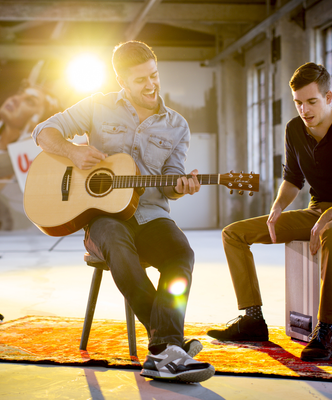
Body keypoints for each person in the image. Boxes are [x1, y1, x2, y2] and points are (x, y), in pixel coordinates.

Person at [31, 41, 215, 384]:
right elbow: (43, 132)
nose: (151, 85)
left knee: (181, 254)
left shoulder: (177, 126)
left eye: (154, 75)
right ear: (122, 82)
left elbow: (169, 182)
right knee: (119, 247)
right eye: (140, 80)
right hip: (102, 219)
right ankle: (167, 346)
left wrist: (181, 186)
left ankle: (162, 349)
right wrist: (72, 152)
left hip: (151, 215)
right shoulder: (97, 106)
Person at [207, 62, 332, 362]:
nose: (304, 110)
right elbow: (293, 178)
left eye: (312, 101)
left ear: (329, 97)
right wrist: (277, 207)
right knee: (233, 234)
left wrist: (331, 215)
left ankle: (325, 330)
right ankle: (253, 319)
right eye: (298, 103)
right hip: (317, 211)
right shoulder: (294, 129)